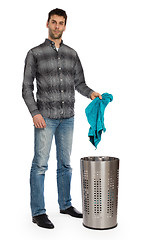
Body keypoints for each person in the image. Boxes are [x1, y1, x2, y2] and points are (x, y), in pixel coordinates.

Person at [22, 8, 102, 229]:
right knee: (40, 165)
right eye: (54, 22)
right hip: (45, 118)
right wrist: (35, 113)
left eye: (61, 23)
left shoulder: (71, 54)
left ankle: (65, 205)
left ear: (65, 26)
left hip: (68, 118)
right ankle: (38, 212)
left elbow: (80, 84)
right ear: (47, 23)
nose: (57, 26)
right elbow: (26, 88)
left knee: (65, 164)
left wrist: (92, 93)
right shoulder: (34, 53)